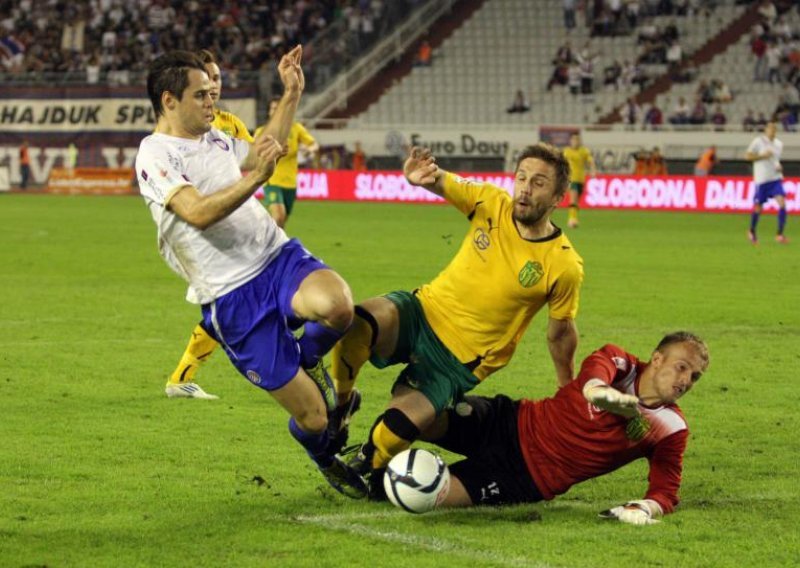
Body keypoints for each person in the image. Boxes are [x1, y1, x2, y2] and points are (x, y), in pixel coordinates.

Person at [135, 48, 366, 498]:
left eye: (211, 91)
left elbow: (266, 148)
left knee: (339, 307)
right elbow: (198, 213)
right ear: (169, 101)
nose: (211, 100)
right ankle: (324, 455)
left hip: (274, 257)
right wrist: (257, 178)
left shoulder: (216, 135)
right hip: (231, 296)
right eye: (200, 94)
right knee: (315, 418)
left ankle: (307, 358)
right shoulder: (155, 154)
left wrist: (291, 92)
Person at [330, 144, 584, 498]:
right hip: (422, 311)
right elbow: (440, 180)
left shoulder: (563, 265)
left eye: (538, 183)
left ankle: (370, 461)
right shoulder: (489, 202)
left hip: (457, 360)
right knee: (359, 322)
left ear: (559, 196)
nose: (525, 188)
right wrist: (419, 178)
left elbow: (560, 334)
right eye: (522, 178)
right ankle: (340, 406)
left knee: (395, 432)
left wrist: (566, 389)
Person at [416, 332, 709, 524]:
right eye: (682, 367)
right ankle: (371, 452)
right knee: (422, 413)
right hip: (511, 421)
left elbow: (665, 491)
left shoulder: (671, 428)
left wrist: (645, 508)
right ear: (657, 359)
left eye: (694, 376)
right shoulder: (618, 361)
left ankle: (375, 481)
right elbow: (593, 382)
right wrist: (609, 398)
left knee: (423, 495)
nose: (686, 380)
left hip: (524, 478)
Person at [163, 49, 261, 401]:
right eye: (207, 80)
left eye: (217, 79)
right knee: (234, 303)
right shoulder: (181, 128)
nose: (214, 86)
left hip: (230, 230)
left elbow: (254, 160)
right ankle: (292, 361)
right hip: (200, 231)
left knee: (232, 305)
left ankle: (180, 378)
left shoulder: (230, 124)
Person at [256, 97, 319, 228]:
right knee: (278, 216)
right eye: (273, 109)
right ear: (269, 112)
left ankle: (273, 245)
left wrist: (308, 150)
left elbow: (314, 145)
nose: (276, 111)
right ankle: (267, 244)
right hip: (271, 180)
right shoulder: (262, 131)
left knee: (281, 222)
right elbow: (254, 152)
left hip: (290, 183)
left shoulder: (296, 128)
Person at [745, 121, 789, 244]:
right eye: (770, 129)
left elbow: (775, 160)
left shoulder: (779, 144)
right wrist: (761, 156)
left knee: (782, 203)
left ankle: (780, 234)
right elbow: (747, 156)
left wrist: (779, 166)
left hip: (775, 178)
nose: (772, 131)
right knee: (759, 207)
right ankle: (752, 230)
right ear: (765, 130)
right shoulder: (758, 141)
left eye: (774, 129)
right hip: (762, 179)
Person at [563, 132, 596, 228]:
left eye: (577, 140)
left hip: (581, 179)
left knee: (577, 201)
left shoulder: (583, 151)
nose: (575, 142)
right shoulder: (567, 152)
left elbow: (591, 161)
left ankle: (574, 218)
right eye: (574, 140)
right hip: (571, 179)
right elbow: (562, 163)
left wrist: (593, 170)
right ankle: (571, 220)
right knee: (573, 199)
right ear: (570, 141)